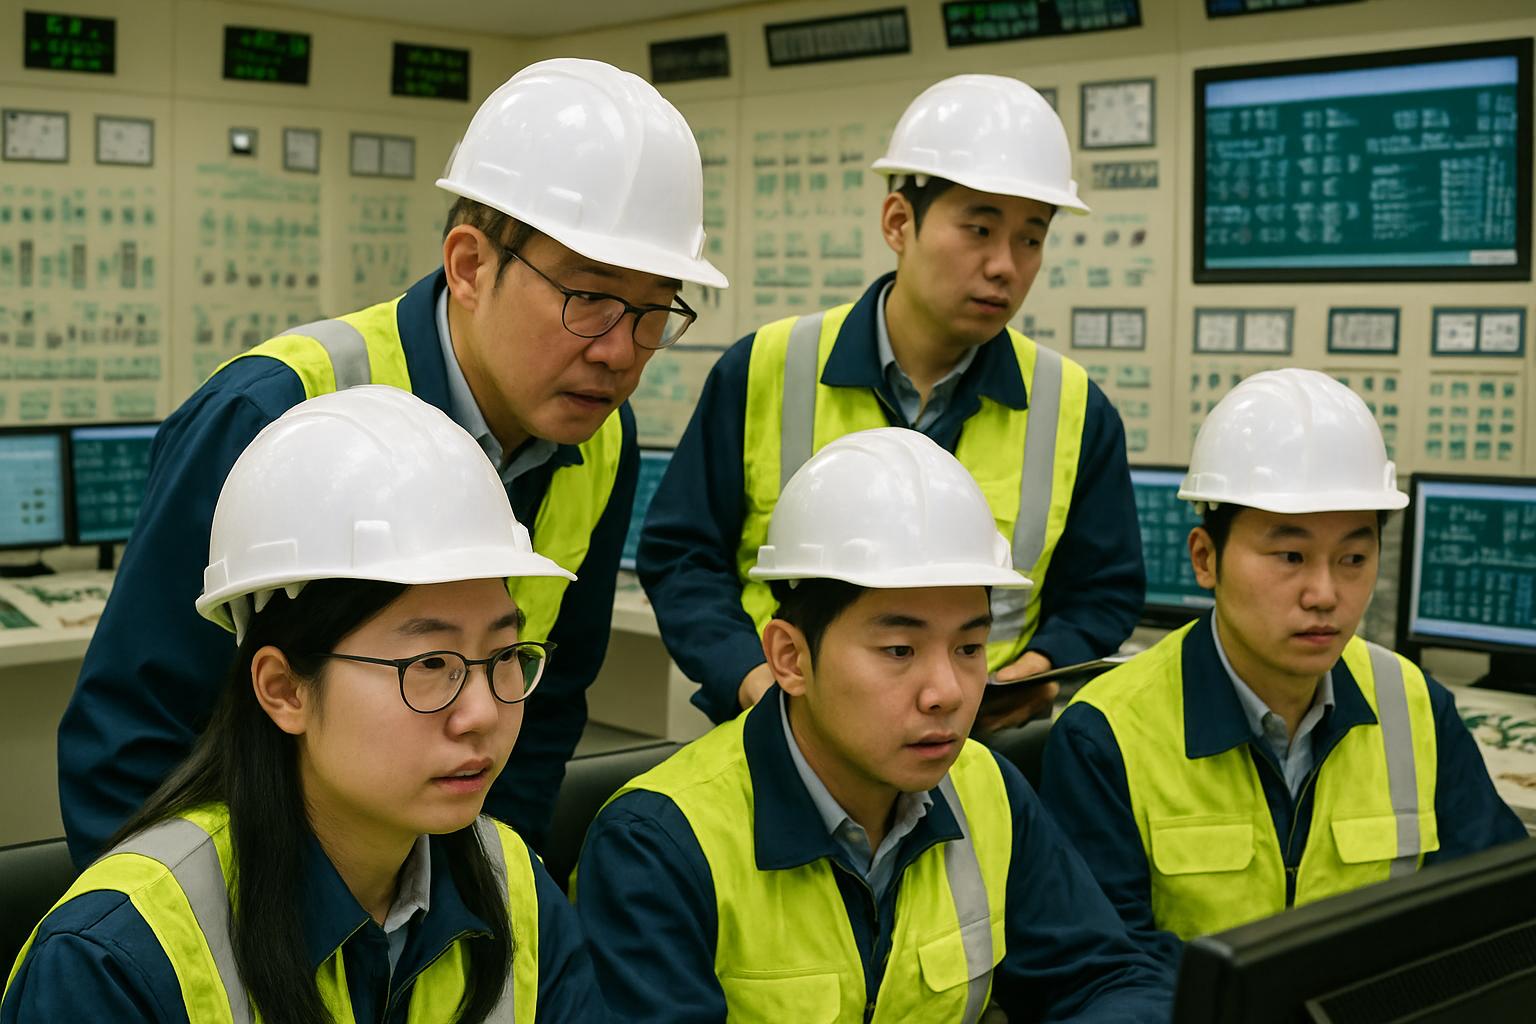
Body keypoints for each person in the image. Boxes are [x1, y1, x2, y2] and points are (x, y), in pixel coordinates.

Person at [58, 57, 728, 866]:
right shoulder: (273, 411)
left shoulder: (600, 442)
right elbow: (129, 742)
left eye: (655, 311)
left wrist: (490, 905)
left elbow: (546, 708)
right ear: (471, 265)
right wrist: (178, 959)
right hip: (246, 900)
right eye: (588, 299)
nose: (622, 352)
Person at [4, 387, 607, 1022]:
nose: (482, 712)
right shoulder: (113, 959)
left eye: (504, 656)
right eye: (431, 665)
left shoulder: (516, 886)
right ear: (283, 689)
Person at [575, 428, 1172, 1022]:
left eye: (969, 648)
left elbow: (1109, 979)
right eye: (898, 651)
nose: (946, 694)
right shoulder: (657, 845)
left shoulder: (987, 788)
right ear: (790, 658)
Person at [639, 73, 1143, 734]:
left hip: (976, 749)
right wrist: (753, 680)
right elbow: (682, 558)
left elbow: (1102, 591)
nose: (1005, 265)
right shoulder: (765, 367)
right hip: (775, 744)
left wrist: (1036, 670)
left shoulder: (1074, 407)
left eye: (1030, 237)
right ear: (899, 222)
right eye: (979, 229)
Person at [1040, 369, 1528, 968]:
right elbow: (1110, 971)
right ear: (1205, 557)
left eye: (1353, 557)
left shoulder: (1414, 705)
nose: (1324, 593)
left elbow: (1492, 916)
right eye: (1290, 555)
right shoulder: (1107, 734)